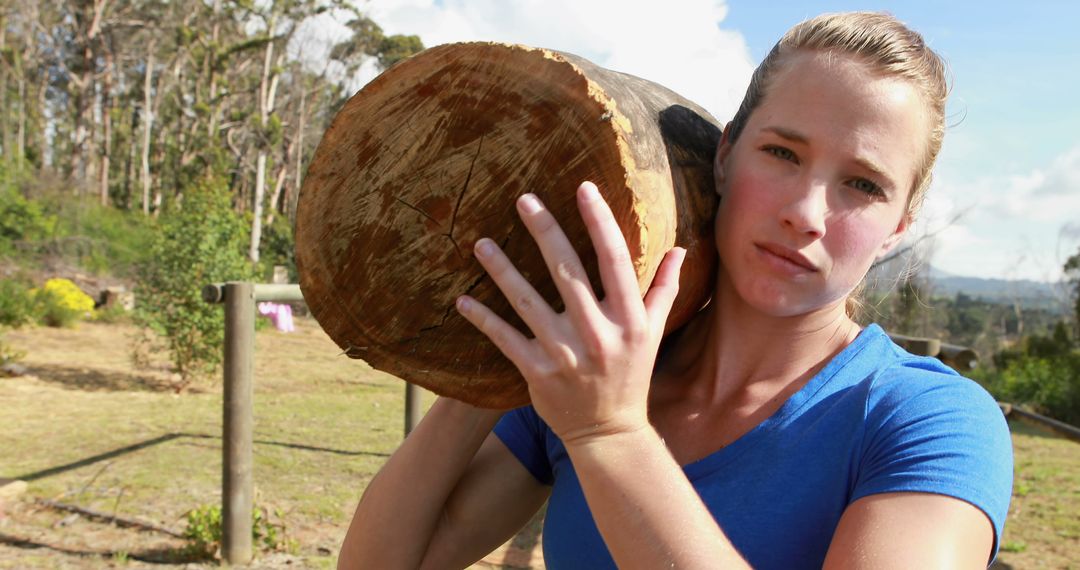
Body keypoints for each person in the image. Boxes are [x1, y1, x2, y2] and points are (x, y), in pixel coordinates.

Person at [337, 11, 1013, 569]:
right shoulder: (595, 374)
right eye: (782, 153)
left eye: (862, 185)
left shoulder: (927, 423)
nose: (805, 214)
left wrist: (609, 434)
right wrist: (494, 362)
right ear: (726, 155)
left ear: (896, 228)